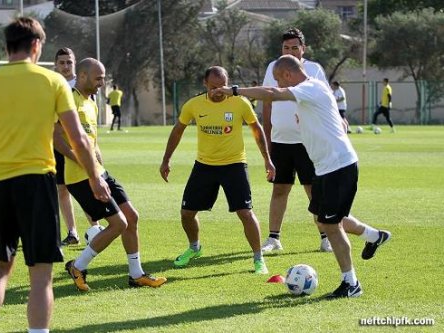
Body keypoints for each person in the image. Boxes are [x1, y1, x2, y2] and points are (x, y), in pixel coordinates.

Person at [0, 17, 110, 333]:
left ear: (6, 47)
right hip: (36, 183)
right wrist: (96, 177)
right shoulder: (53, 82)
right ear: (36, 45)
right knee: (40, 273)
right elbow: (78, 138)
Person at [215, 55, 391, 297]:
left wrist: (234, 90)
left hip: (338, 166)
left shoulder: (309, 87)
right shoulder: (309, 94)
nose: (278, 84)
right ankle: (374, 236)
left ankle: (351, 284)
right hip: (326, 168)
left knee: (331, 224)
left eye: (279, 79)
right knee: (324, 218)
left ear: (287, 74)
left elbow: (272, 93)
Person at [56, 58, 166, 291]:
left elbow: (91, 140)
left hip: (99, 172)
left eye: (103, 78)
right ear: (83, 76)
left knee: (132, 218)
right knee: (119, 224)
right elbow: (54, 135)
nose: (102, 83)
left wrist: (99, 162)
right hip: (80, 176)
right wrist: (76, 158)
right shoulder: (69, 100)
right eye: (98, 78)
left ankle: (136, 275)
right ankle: (77, 266)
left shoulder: (92, 102)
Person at [159, 66, 276, 274]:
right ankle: (194, 247)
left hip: (234, 165)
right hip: (204, 165)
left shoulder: (240, 102)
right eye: (214, 87)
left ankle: (259, 259)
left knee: (245, 213)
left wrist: (267, 160)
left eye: (222, 86)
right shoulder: (193, 105)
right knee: (186, 213)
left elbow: (257, 129)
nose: (218, 91)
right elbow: (178, 130)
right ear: (205, 84)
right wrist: (166, 159)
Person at [261, 27, 332, 253]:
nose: (289, 51)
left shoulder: (314, 69)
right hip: (280, 140)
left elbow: (326, 101)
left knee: (313, 189)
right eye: (285, 47)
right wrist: (267, 137)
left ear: (303, 48)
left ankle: (326, 236)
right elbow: (267, 100)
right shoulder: (273, 67)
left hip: (307, 141)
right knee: (280, 189)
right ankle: (273, 238)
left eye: (294, 47)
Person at [53, 47, 83, 245]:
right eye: (62, 62)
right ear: (56, 64)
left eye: (69, 62)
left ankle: (95, 228)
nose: (65, 66)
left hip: (80, 143)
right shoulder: (52, 85)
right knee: (62, 189)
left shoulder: (81, 85)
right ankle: (72, 232)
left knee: (87, 185)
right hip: (57, 144)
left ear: (75, 63)